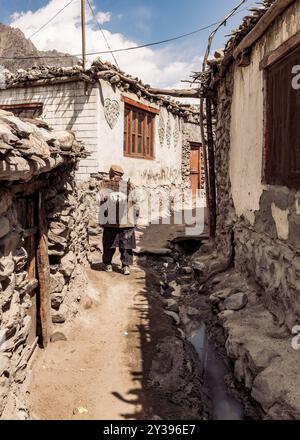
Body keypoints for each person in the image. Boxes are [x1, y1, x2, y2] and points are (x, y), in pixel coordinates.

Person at [98, 165, 139, 276]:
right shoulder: (107, 184)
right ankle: (117, 265)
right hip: (118, 221)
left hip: (117, 222)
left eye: (117, 175)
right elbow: (135, 202)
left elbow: (135, 199)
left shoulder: (107, 185)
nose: (116, 177)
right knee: (117, 244)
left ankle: (117, 265)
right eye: (117, 175)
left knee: (117, 245)